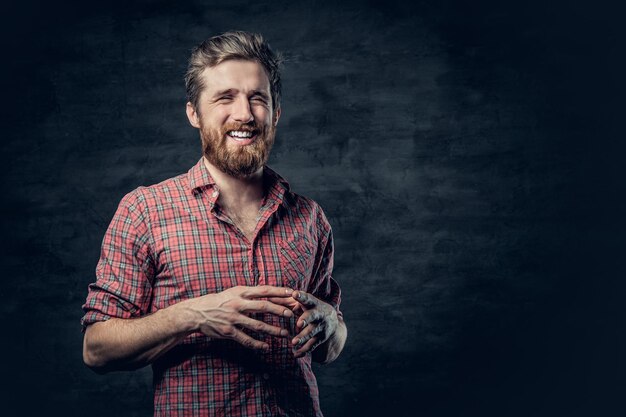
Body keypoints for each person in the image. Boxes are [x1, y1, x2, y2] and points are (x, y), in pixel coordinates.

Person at [81, 31, 347, 416]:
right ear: (194, 113)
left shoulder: (309, 218)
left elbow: (332, 345)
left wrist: (330, 326)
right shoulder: (145, 210)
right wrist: (193, 315)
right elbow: (96, 349)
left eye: (258, 98)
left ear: (275, 113)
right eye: (225, 98)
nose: (244, 114)